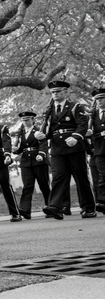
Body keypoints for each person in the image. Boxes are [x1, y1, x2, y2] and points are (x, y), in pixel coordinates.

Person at [38, 80, 96, 219]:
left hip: (74, 146)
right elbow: (49, 129)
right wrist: (42, 135)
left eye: (58, 91)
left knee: (81, 178)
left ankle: (88, 208)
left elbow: (82, 125)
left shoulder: (75, 107)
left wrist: (76, 137)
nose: (55, 94)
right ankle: (56, 207)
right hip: (58, 148)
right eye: (53, 92)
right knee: (58, 178)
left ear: (66, 92)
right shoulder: (49, 110)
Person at [12, 110, 51, 220]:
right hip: (26, 162)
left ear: (33, 120)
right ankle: (25, 209)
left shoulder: (39, 130)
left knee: (44, 185)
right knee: (27, 186)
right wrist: (15, 150)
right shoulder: (21, 132)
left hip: (38, 160)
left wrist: (42, 154)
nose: (25, 122)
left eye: (27, 119)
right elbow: (21, 147)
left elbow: (44, 143)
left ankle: (50, 206)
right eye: (23, 120)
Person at [88, 87, 105, 214]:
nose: (99, 101)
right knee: (102, 176)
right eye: (97, 99)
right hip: (99, 149)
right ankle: (102, 202)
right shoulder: (93, 115)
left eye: (102, 98)